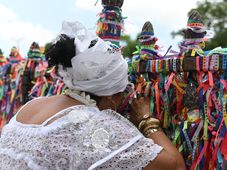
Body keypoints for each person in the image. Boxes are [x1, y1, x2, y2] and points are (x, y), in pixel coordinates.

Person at [0, 21, 185, 170]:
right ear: (111, 96)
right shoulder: (93, 124)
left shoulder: (33, 105)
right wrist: (146, 120)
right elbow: (175, 166)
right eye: (123, 93)